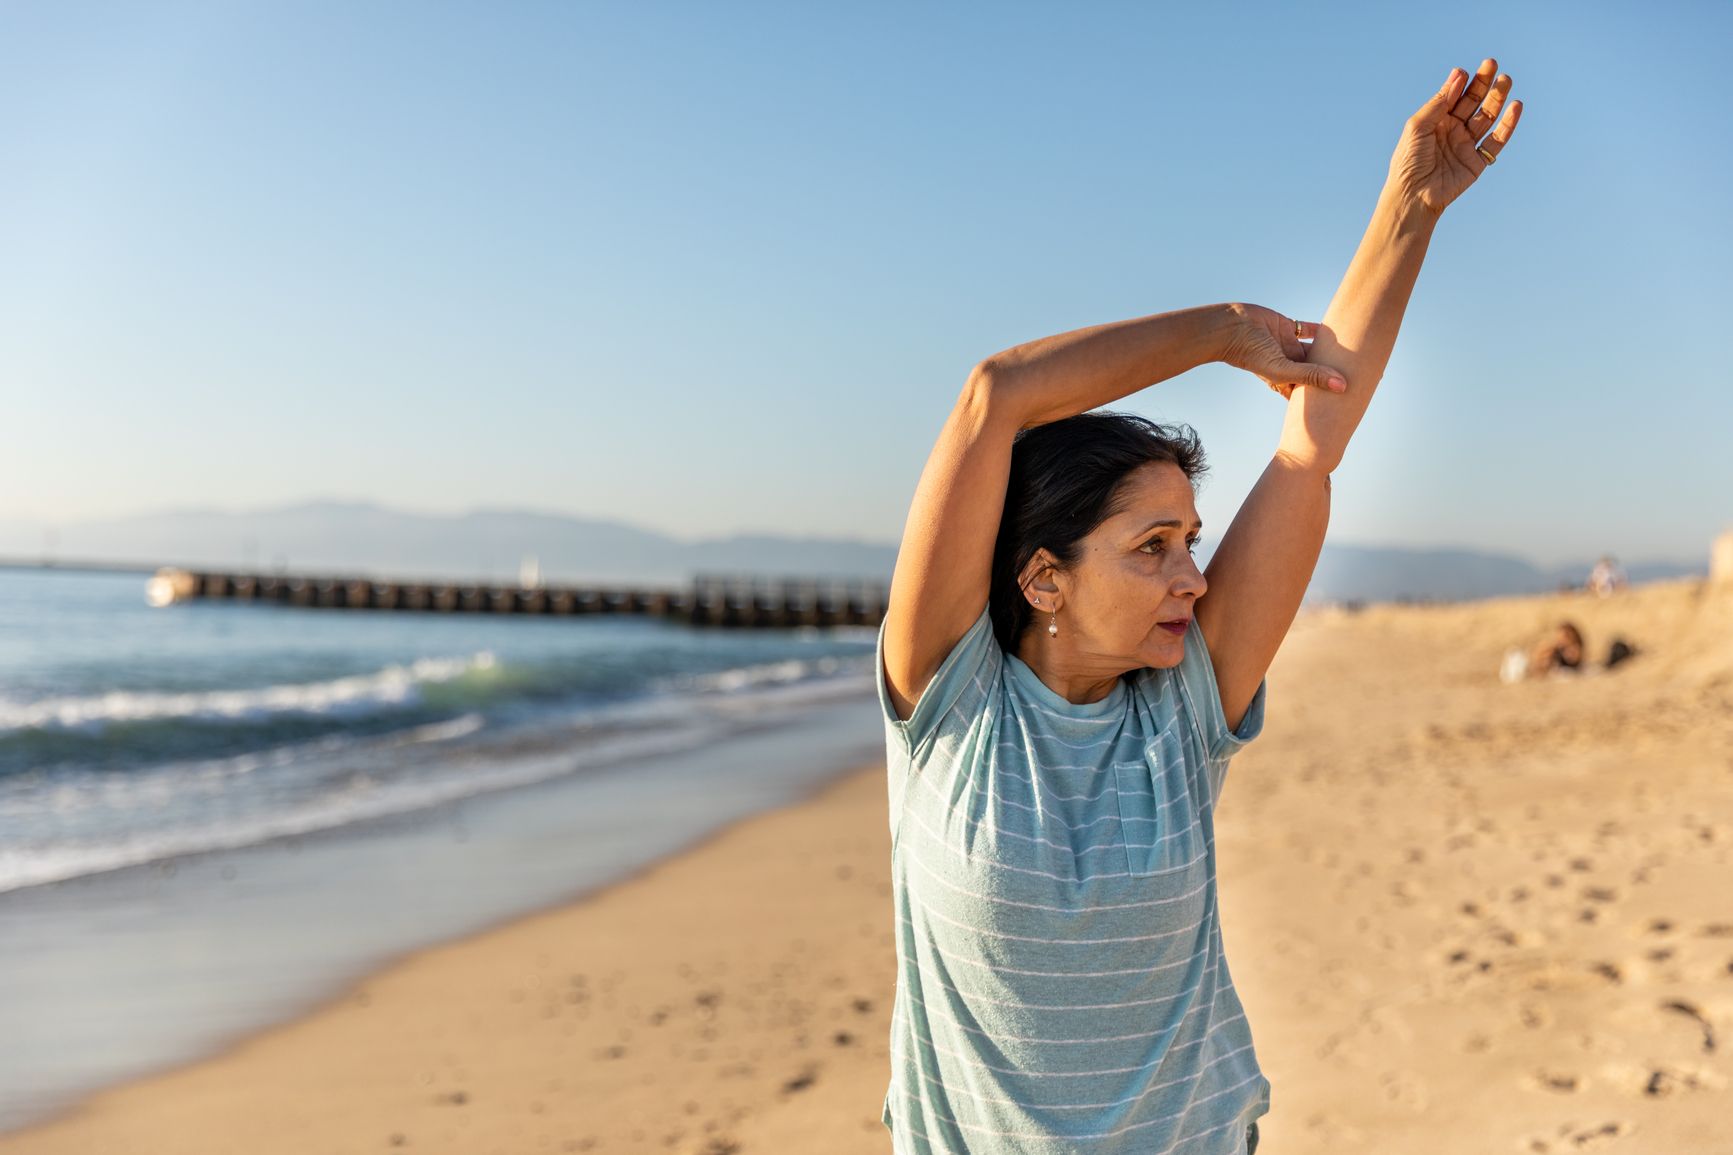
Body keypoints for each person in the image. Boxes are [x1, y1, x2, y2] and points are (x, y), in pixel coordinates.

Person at [875, 59, 1522, 1153]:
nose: (1192, 576)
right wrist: (1223, 329)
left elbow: (1310, 446)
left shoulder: (1180, 708)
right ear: (1042, 578)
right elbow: (995, 398)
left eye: (1190, 540)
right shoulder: (948, 701)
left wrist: (1411, 203)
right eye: (1151, 547)